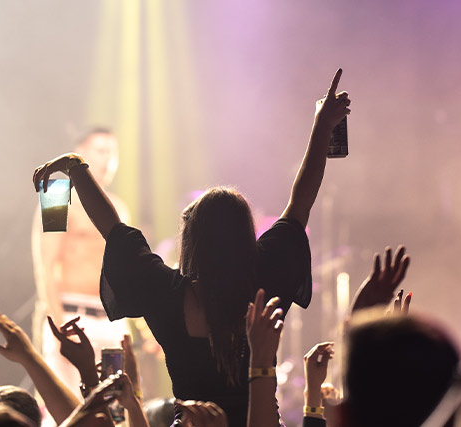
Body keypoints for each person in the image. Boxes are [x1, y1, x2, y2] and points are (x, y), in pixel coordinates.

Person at [31, 68, 350, 426]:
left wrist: (76, 169)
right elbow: (300, 203)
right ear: (247, 234)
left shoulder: (167, 295)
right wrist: (323, 128)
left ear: (191, 239)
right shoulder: (263, 285)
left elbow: (114, 230)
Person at [31, 129, 154, 401]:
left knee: (116, 408)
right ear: (81, 154)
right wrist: (61, 326)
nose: (107, 159)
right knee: (70, 408)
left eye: (113, 152)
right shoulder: (57, 197)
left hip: (112, 322)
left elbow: (129, 274)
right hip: (72, 316)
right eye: (100, 151)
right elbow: (46, 267)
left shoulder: (118, 207)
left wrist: (148, 328)